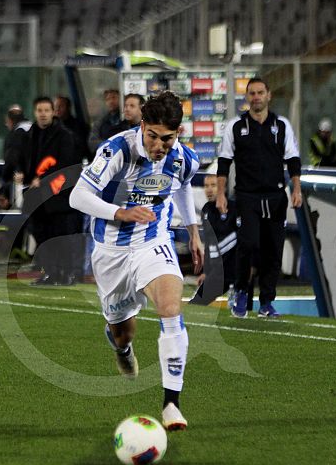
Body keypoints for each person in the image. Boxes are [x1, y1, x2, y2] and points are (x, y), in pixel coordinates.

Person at [69, 90, 202, 431]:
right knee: (123, 333)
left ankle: (171, 404)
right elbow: (78, 196)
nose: (158, 145)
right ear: (142, 126)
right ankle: (121, 348)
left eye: (166, 139)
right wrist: (121, 212)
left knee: (170, 307)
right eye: (152, 136)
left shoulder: (184, 159)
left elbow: (182, 186)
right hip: (110, 252)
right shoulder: (116, 149)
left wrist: (193, 231)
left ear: (178, 133)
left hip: (153, 242)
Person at [217, 76, 302, 319]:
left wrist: (296, 189)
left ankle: (266, 302)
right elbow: (224, 162)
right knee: (248, 245)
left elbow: (293, 159)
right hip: (247, 197)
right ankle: (241, 293)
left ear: (268, 95)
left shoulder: (282, 125)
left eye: (260, 93)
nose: (256, 97)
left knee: (273, 250)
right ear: (247, 97)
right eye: (252, 93)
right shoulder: (236, 126)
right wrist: (221, 194)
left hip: (275, 196)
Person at [20, 96, 81, 286]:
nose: (43, 114)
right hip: (36, 196)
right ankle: (50, 272)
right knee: (41, 235)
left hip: (58, 195)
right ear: (35, 112)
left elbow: (67, 164)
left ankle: (67, 273)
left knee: (61, 236)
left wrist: (44, 179)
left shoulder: (65, 135)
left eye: (47, 110)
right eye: (40, 110)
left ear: (54, 112)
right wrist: (22, 174)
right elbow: (24, 160)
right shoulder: (30, 135)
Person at [189, 173, 237, 306]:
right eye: (206, 186)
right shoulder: (206, 210)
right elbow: (210, 244)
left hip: (235, 269)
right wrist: (206, 272)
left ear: (223, 188)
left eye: (213, 185)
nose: (209, 190)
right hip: (217, 272)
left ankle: (236, 290)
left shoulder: (235, 208)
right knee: (195, 305)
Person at [54, 95, 90, 162]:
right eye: (55, 106)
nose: (57, 109)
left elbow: (83, 148)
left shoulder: (80, 126)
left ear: (68, 107)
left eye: (61, 106)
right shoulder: (51, 127)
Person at [1, 104, 31, 184]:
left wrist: (6, 176)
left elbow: (12, 157)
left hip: (21, 178)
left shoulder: (16, 134)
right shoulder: (34, 128)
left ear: (10, 121)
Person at [87, 88, 123, 153]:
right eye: (108, 99)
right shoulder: (100, 122)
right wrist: (109, 149)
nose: (111, 101)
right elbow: (93, 143)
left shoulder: (127, 118)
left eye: (114, 97)